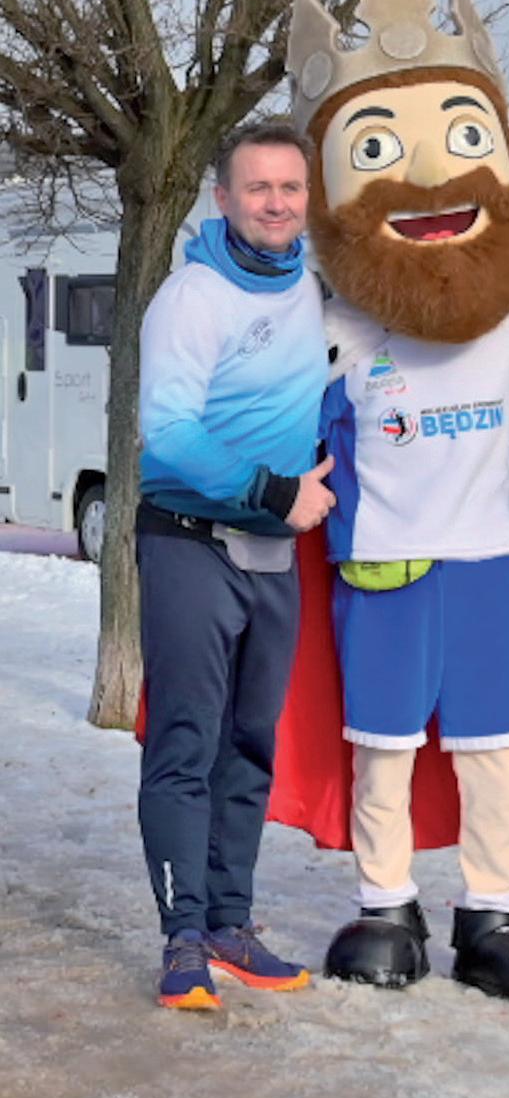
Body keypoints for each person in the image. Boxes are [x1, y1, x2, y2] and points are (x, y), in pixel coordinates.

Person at [273, 0, 509, 999]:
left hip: (493, 560)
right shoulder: (331, 331)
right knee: (384, 746)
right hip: (384, 564)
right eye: (376, 150)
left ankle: (491, 908)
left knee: (497, 750)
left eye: (463, 139)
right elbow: (274, 432)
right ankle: (386, 902)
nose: (427, 177)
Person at [137, 119, 335, 1011]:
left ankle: (229, 921)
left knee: (250, 746)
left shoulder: (311, 286)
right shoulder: (193, 295)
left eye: (290, 188)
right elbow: (169, 431)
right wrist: (274, 489)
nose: (276, 203)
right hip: (190, 540)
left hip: (272, 553)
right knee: (187, 743)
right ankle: (183, 939)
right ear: (223, 197)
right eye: (259, 188)